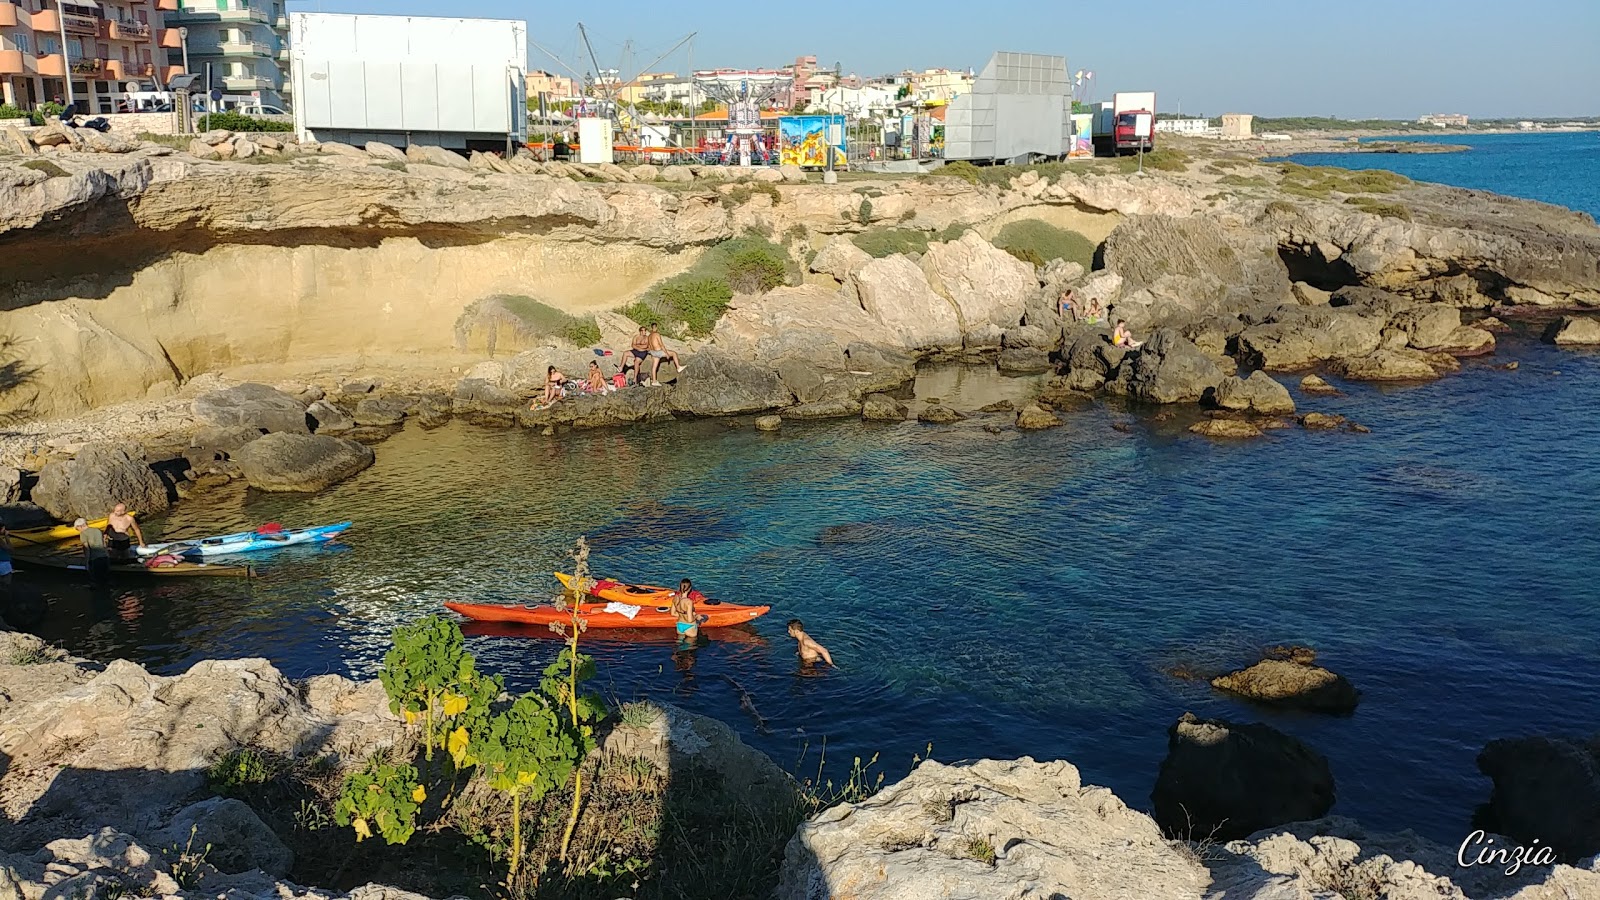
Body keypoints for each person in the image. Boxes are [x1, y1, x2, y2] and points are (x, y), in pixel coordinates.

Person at [74, 518, 112, 583]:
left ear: (80, 526)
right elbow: (104, 544)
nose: (78, 531)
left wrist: (87, 563)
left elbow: (87, 549)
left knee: (96, 579)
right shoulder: (97, 530)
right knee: (106, 578)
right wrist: (108, 556)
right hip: (104, 557)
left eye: (77, 529)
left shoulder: (83, 534)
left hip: (95, 559)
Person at [0, 525, 12, 590]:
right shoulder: (0, 541)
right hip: (4, 566)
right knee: (6, 586)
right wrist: (7, 537)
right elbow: (9, 549)